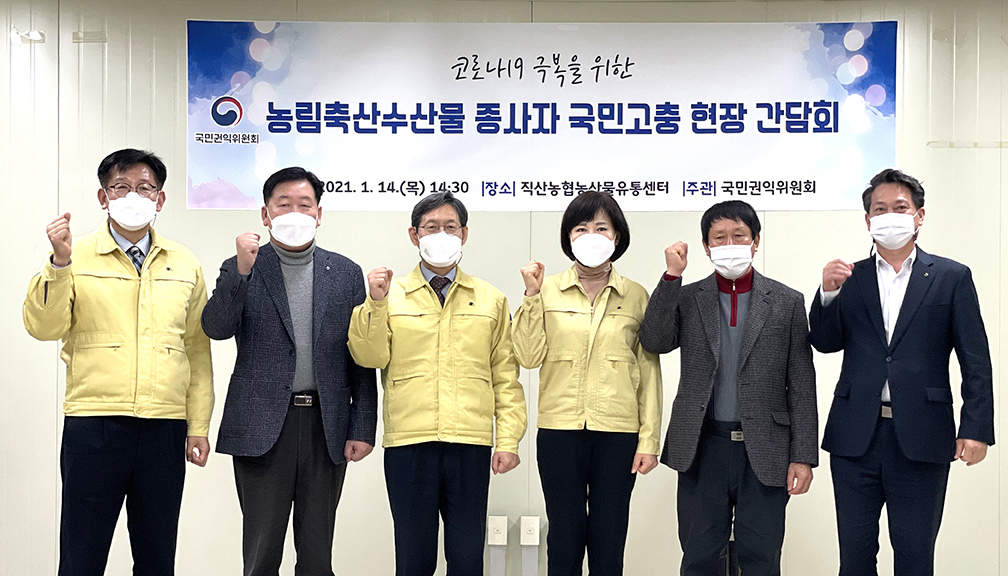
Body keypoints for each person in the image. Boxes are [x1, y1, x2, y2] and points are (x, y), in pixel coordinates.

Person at [23, 148, 213, 576]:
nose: (133, 196)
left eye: (145, 188)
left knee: (156, 555)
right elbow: (43, 327)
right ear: (102, 196)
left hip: (164, 425)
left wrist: (198, 425)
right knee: (82, 554)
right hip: (95, 424)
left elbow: (196, 351)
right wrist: (59, 264)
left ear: (160, 199)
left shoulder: (184, 263)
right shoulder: (74, 254)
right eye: (121, 187)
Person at [808, 168, 994, 576]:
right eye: (880, 209)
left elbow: (975, 360)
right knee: (854, 558)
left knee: (915, 557)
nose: (889, 216)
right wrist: (827, 294)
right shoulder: (849, 277)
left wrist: (976, 428)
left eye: (900, 207)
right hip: (855, 437)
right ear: (867, 220)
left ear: (919, 216)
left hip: (923, 435)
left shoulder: (951, 277)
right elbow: (824, 342)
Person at [201, 167, 378, 576]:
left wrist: (362, 426)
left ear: (319, 214)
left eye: (304, 204)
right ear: (265, 214)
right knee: (261, 555)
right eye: (284, 204)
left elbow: (360, 356)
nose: (295, 213)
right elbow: (216, 327)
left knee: (317, 557)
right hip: (261, 428)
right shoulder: (241, 266)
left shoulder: (345, 273)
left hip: (325, 425)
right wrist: (241, 272)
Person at [347, 191, 527, 576]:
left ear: (464, 234)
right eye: (431, 227)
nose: (441, 235)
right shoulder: (389, 296)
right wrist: (375, 304)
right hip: (410, 443)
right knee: (414, 560)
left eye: (450, 227)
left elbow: (505, 377)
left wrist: (508, 441)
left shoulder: (490, 299)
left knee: (467, 559)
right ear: (414, 235)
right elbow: (368, 356)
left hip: (470, 442)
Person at [638, 199, 818, 576]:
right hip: (703, 445)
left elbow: (802, 384)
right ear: (706, 247)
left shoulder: (787, 302)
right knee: (699, 555)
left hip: (766, 449)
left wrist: (802, 455)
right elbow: (654, 340)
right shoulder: (688, 298)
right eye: (719, 237)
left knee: (761, 557)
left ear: (756, 241)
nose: (729, 244)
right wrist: (671, 277)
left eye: (739, 235)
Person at [512, 191, 662, 575]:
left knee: (608, 540)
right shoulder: (545, 290)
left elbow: (648, 372)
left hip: (618, 432)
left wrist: (649, 440)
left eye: (601, 228)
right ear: (568, 237)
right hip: (560, 430)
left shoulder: (636, 295)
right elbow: (527, 356)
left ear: (617, 236)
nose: (591, 236)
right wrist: (531, 296)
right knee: (564, 538)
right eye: (581, 228)